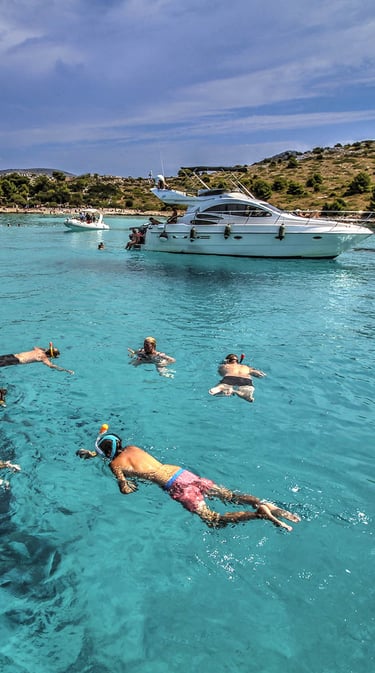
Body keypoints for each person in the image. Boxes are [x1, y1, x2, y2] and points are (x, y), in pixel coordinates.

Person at [76, 429, 300, 531]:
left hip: (175, 486)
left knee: (213, 520)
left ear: (106, 454)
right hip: (181, 473)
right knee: (230, 496)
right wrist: (94, 452)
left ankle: (258, 515)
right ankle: (260, 502)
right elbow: (117, 452)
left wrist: (124, 484)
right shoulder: (133, 448)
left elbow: (125, 488)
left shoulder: (115, 465)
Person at [0, 343, 74, 374]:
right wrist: (66, 370)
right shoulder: (44, 358)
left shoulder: (39, 351)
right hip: (15, 360)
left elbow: (35, 347)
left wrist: (46, 349)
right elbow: (52, 366)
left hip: (13, 356)